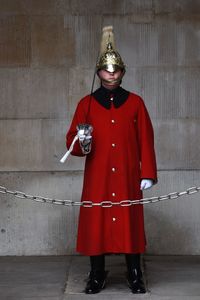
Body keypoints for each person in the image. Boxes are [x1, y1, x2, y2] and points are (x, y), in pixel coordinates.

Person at [66, 26, 157, 294]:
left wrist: (147, 173)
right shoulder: (87, 104)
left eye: (116, 70)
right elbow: (73, 140)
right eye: (106, 70)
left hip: (128, 175)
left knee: (129, 222)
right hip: (99, 176)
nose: (111, 74)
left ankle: (134, 271)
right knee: (97, 222)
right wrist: (82, 142)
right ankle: (96, 273)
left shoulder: (136, 103)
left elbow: (146, 140)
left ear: (123, 72)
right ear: (99, 72)